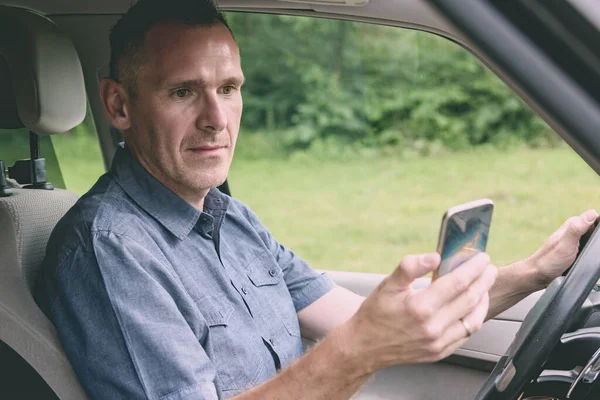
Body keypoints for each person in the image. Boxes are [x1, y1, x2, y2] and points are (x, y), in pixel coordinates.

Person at [34, 0, 598, 399]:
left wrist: (538, 270)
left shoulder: (230, 218)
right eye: (184, 91)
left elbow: (366, 319)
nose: (216, 119)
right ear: (119, 107)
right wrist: (361, 350)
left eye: (228, 89)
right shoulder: (110, 249)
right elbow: (361, 335)